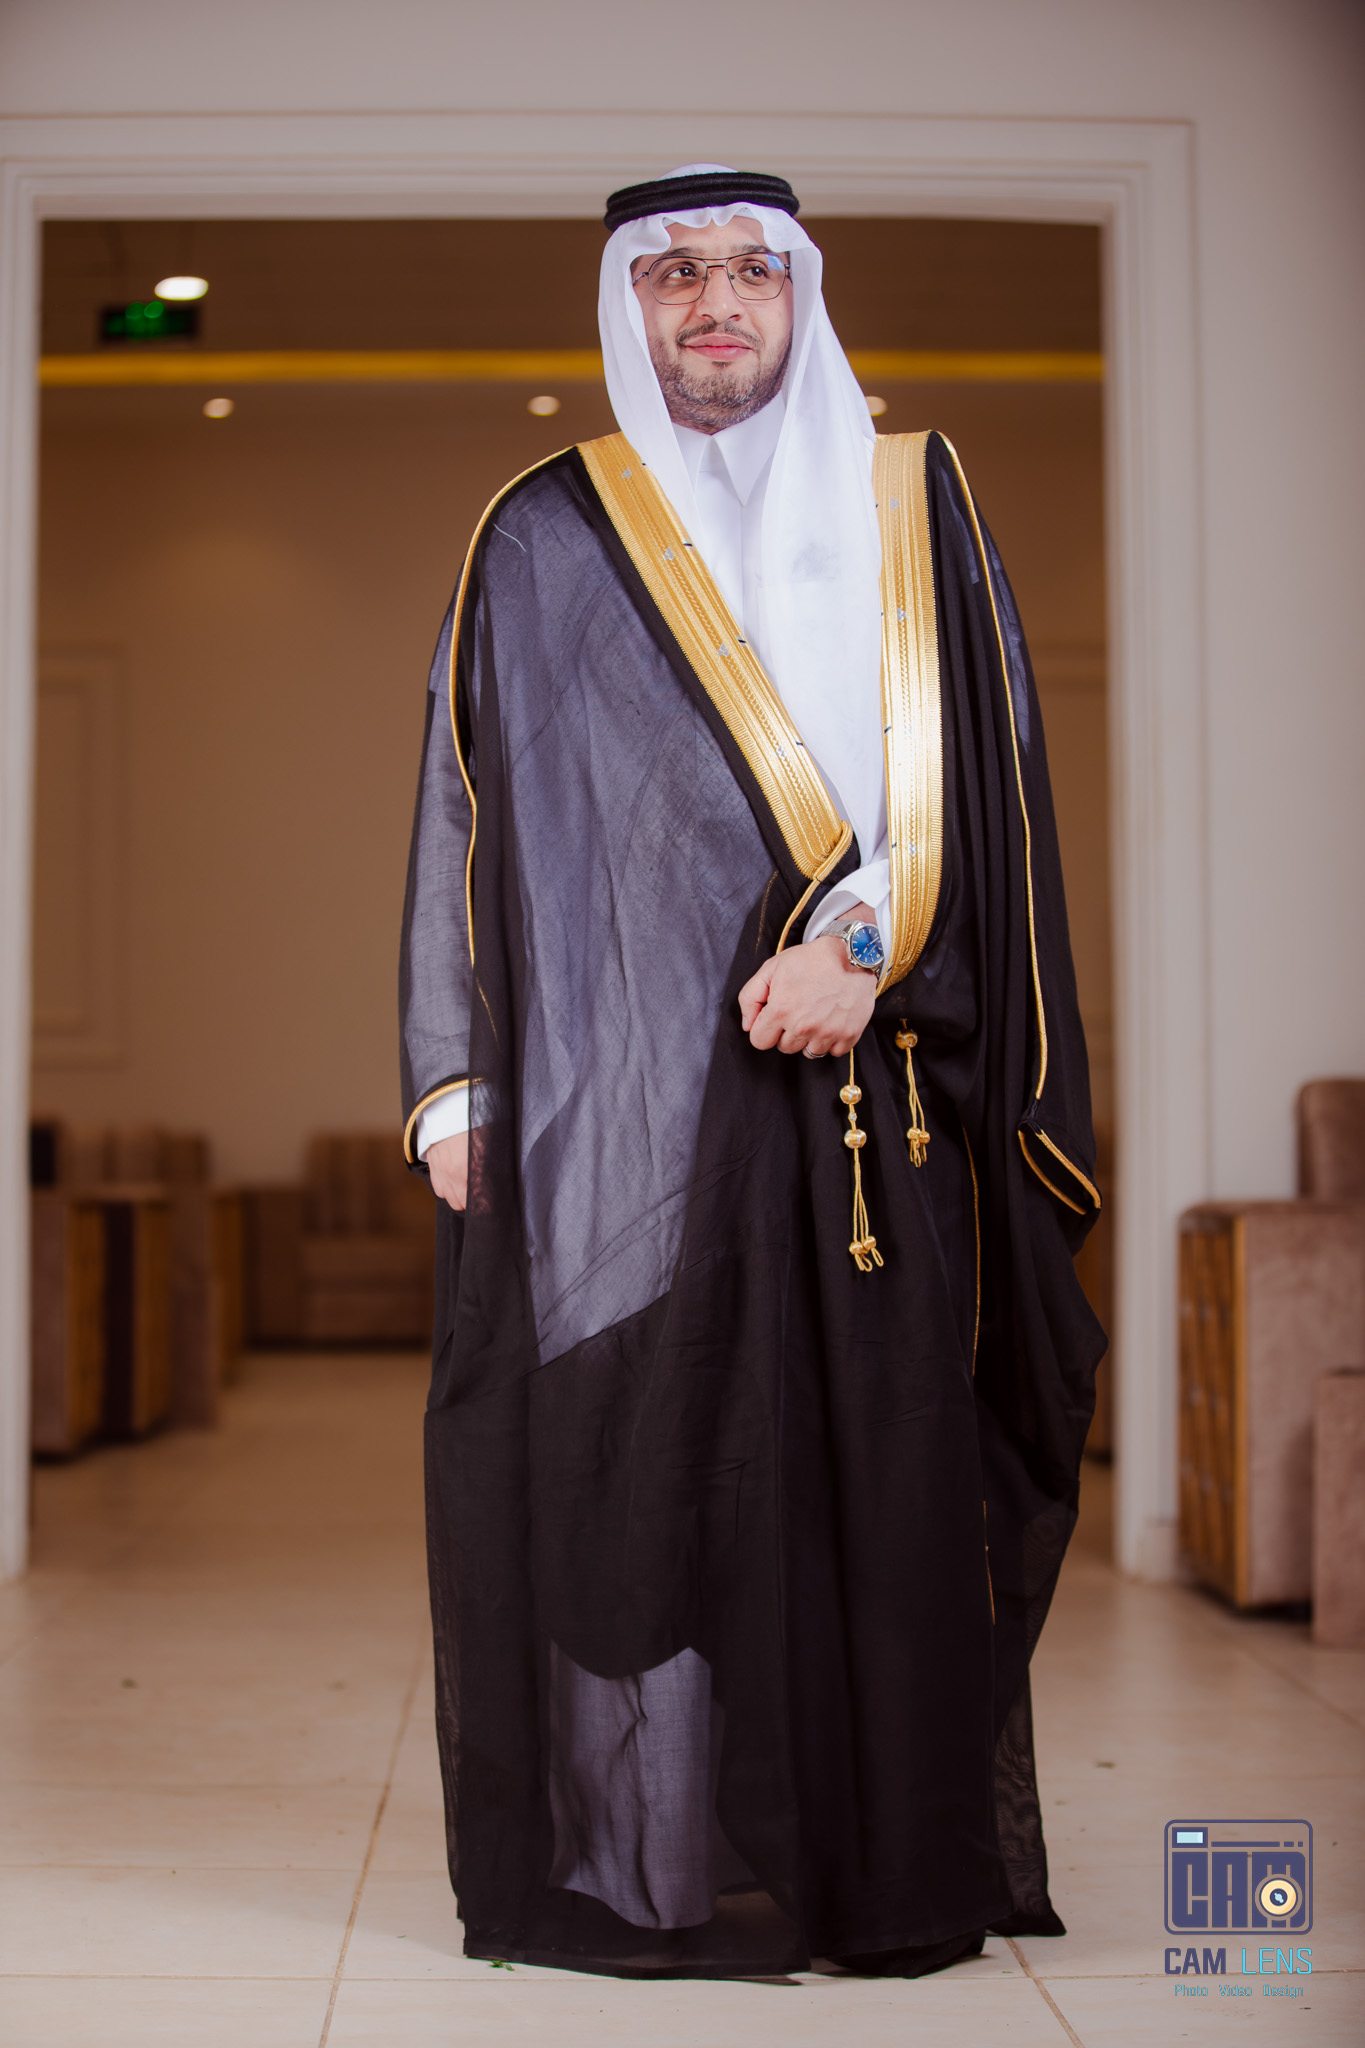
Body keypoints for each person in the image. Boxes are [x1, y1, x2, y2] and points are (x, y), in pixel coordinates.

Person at [399, 163, 1105, 1981]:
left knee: (874, 1477)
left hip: (879, 1102)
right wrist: (457, 1083)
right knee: (645, 1469)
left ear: (799, 290)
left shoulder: (910, 498)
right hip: (628, 1110)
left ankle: (883, 1876)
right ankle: (648, 1865)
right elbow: (469, 806)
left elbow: (985, 793)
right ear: (627, 304)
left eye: (747, 271)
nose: (715, 303)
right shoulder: (543, 529)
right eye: (675, 275)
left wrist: (863, 955)